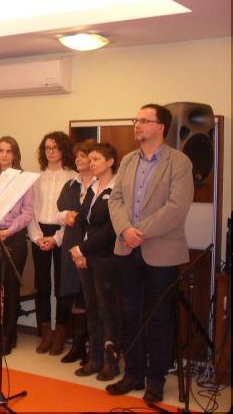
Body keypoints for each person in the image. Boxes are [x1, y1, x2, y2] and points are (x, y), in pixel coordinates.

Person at [106, 104, 194, 403]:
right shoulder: (128, 160)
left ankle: (156, 379)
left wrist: (138, 232)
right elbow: (115, 200)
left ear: (161, 127)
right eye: (137, 119)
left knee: (158, 318)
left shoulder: (179, 162)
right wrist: (125, 230)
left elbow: (177, 207)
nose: (138, 124)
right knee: (130, 314)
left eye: (145, 120)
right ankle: (133, 374)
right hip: (126, 248)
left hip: (161, 251)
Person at [69, 143, 121, 382]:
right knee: (91, 308)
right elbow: (80, 222)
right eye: (90, 160)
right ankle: (95, 358)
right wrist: (78, 251)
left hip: (106, 257)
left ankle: (111, 362)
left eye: (96, 159)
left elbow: (111, 229)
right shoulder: (92, 187)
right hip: (86, 256)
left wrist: (83, 248)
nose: (91, 163)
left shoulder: (117, 189)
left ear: (110, 162)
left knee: (107, 310)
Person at [0, 136, 34, 356]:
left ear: (15, 155)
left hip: (14, 238)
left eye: (8, 151)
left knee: (11, 288)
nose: (4, 155)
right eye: (0, 151)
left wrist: (9, 231)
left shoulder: (24, 180)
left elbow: (27, 212)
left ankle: (9, 336)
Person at [27, 131, 77, 355]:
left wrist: (57, 239)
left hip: (64, 233)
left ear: (63, 150)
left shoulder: (73, 177)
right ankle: (46, 333)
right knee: (42, 285)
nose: (51, 151)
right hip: (39, 233)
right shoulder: (36, 178)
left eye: (55, 147)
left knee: (62, 286)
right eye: (47, 148)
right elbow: (31, 211)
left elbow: (72, 213)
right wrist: (37, 237)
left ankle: (60, 334)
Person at [56, 139, 96, 364]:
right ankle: (78, 345)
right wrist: (66, 215)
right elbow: (58, 212)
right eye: (77, 155)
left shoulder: (102, 184)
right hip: (71, 244)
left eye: (84, 155)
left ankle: (94, 348)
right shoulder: (71, 184)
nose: (79, 159)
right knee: (76, 296)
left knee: (93, 295)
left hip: (92, 246)